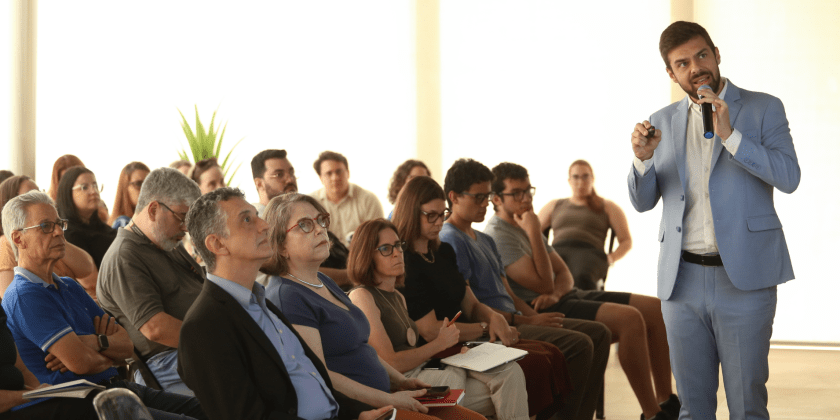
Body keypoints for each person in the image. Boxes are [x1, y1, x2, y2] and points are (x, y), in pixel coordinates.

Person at [628, 21, 800, 420]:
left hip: (745, 280)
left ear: (717, 54)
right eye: (683, 63)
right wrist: (641, 158)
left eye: (701, 55)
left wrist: (732, 136)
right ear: (671, 74)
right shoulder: (661, 119)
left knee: (747, 407)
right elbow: (642, 202)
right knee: (693, 408)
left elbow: (789, 178)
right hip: (681, 281)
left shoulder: (763, 107)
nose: (696, 67)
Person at [396, 175, 609, 420]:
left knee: (549, 354)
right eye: (429, 215)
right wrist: (487, 325)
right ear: (412, 213)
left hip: (467, 338)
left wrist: (493, 316)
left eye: (441, 213)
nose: (437, 221)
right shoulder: (406, 261)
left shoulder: (442, 250)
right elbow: (432, 331)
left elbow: (472, 303)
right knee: (535, 363)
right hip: (442, 348)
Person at [261, 196, 488, 420]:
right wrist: (389, 399)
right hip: (363, 411)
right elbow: (320, 375)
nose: (320, 230)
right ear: (281, 244)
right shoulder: (288, 295)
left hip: (385, 395)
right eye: (305, 225)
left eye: (321, 220)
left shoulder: (321, 280)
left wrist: (400, 380)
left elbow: (361, 347)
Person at [485, 162, 677, 420]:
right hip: (542, 306)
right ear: (497, 199)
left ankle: (667, 402)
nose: (525, 198)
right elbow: (543, 284)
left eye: (527, 191)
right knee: (630, 320)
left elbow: (563, 275)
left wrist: (556, 290)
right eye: (516, 193)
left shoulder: (531, 222)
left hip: (566, 293)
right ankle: (653, 414)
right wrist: (533, 232)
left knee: (655, 308)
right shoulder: (501, 234)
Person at [179, 187, 391, 420]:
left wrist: (357, 414)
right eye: (247, 220)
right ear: (217, 245)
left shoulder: (261, 303)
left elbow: (311, 379)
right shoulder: (203, 326)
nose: (265, 226)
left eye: (256, 215)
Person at [1, 191, 205, 420]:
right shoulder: (24, 296)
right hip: (84, 405)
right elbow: (80, 363)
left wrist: (92, 342)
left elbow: (126, 347)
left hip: (118, 388)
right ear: (18, 239)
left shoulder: (69, 285)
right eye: (46, 226)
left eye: (59, 224)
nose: (59, 232)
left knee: (212, 409)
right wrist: (107, 353)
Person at [347, 218, 533, 419]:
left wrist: (455, 352)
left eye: (398, 245)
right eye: (385, 248)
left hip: (427, 370)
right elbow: (391, 362)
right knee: (453, 377)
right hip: (406, 382)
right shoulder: (362, 296)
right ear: (366, 254)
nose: (397, 252)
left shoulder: (398, 296)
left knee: (510, 373)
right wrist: (439, 344)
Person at [97, 168, 204, 396]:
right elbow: (155, 329)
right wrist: (221, 341)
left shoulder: (166, 242)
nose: (186, 228)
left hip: (192, 351)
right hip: (167, 361)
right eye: (183, 218)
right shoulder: (124, 256)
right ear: (154, 209)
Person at [251, 149, 352, 288]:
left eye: (291, 172)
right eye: (279, 174)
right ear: (259, 184)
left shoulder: (307, 209)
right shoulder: (256, 225)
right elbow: (281, 274)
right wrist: (351, 276)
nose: (290, 179)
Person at [537, 160, 632, 291]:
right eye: (575, 177)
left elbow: (626, 240)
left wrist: (611, 258)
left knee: (580, 277)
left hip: (590, 253)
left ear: (592, 179)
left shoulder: (608, 207)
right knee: (547, 276)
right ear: (569, 180)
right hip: (558, 251)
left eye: (585, 176)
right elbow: (532, 234)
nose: (580, 182)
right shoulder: (554, 205)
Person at [0, 176, 97, 299]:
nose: (38, 197)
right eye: (30, 194)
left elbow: (87, 268)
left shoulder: (53, 237)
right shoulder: (5, 244)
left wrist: (53, 231)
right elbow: (13, 298)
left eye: (39, 191)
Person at [310, 151, 384, 245]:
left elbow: (378, 238)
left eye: (338, 171)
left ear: (348, 173)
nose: (335, 178)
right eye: (329, 173)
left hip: (361, 257)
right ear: (321, 178)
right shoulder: (311, 203)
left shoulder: (368, 200)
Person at [55, 166, 116, 269]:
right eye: (84, 187)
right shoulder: (68, 235)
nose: (94, 191)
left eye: (95, 185)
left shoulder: (104, 228)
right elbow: (90, 283)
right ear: (68, 193)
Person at [109, 162, 151, 228]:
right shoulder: (122, 223)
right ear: (125, 187)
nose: (146, 189)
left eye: (149, 184)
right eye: (138, 184)